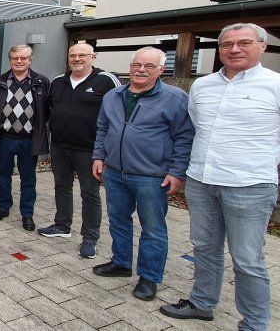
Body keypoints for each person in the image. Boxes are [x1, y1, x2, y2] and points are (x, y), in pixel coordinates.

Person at [160, 23, 280, 330]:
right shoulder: (203, 86)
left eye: (244, 43)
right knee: (204, 246)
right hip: (202, 179)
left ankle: (254, 323)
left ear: (262, 46)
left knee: (247, 259)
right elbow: (197, 127)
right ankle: (202, 303)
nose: (234, 49)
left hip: (249, 184)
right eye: (227, 44)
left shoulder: (275, 85)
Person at [90, 47, 194, 301]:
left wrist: (177, 171)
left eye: (149, 66)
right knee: (118, 220)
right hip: (114, 171)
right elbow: (103, 128)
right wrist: (98, 156)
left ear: (161, 70)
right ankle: (121, 263)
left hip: (152, 176)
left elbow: (184, 137)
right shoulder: (114, 95)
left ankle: (149, 278)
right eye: (137, 64)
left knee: (153, 229)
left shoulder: (175, 98)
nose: (141, 70)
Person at [38, 43, 119, 259]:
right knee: (61, 186)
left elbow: (118, 117)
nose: (77, 59)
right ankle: (62, 225)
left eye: (82, 55)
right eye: (72, 55)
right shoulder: (57, 81)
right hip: (60, 145)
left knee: (90, 193)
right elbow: (49, 111)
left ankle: (90, 237)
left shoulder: (106, 81)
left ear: (93, 56)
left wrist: (105, 153)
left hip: (90, 150)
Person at [0, 44, 50, 231]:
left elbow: (47, 110)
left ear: (30, 60)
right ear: (10, 60)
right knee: (3, 175)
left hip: (29, 139)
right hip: (5, 138)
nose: (19, 61)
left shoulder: (41, 82)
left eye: (23, 58)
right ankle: (4, 207)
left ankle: (27, 214)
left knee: (28, 178)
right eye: (15, 58)